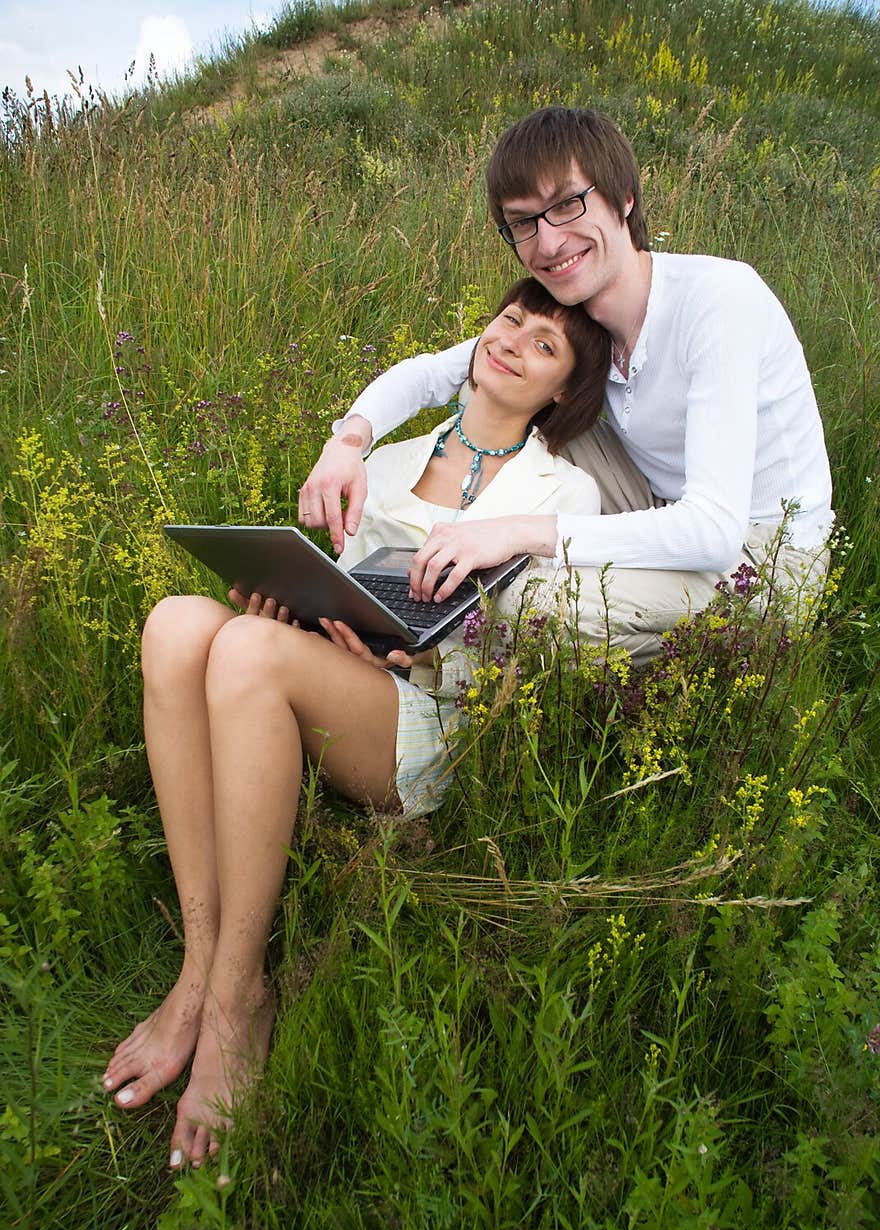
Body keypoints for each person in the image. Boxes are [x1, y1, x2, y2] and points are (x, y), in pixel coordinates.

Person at [101, 277, 607, 1170]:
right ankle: (199, 962)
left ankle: (236, 1000)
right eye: (512, 321)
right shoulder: (387, 459)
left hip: (430, 714)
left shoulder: (560, 493)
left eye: (547, 344)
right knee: (180, 626)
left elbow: (533, 654)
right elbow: (343, 592)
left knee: (249, 653)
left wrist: (421, 657)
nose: (517, 340)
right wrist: (289, 607)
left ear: (563, 390)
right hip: (340, 675)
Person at [298, 106, 834, 661]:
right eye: (523, 223)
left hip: (763, 555)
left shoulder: (718, 300)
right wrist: (349, 442)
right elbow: (438, 372)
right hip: (654, 498)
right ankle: (411, 568)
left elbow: (713, 532)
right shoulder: (586, 319)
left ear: (624, 198)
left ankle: (414, 655)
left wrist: (518, 533)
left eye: (567, 205)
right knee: (507, 377)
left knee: (525, 600)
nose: (548, 243)